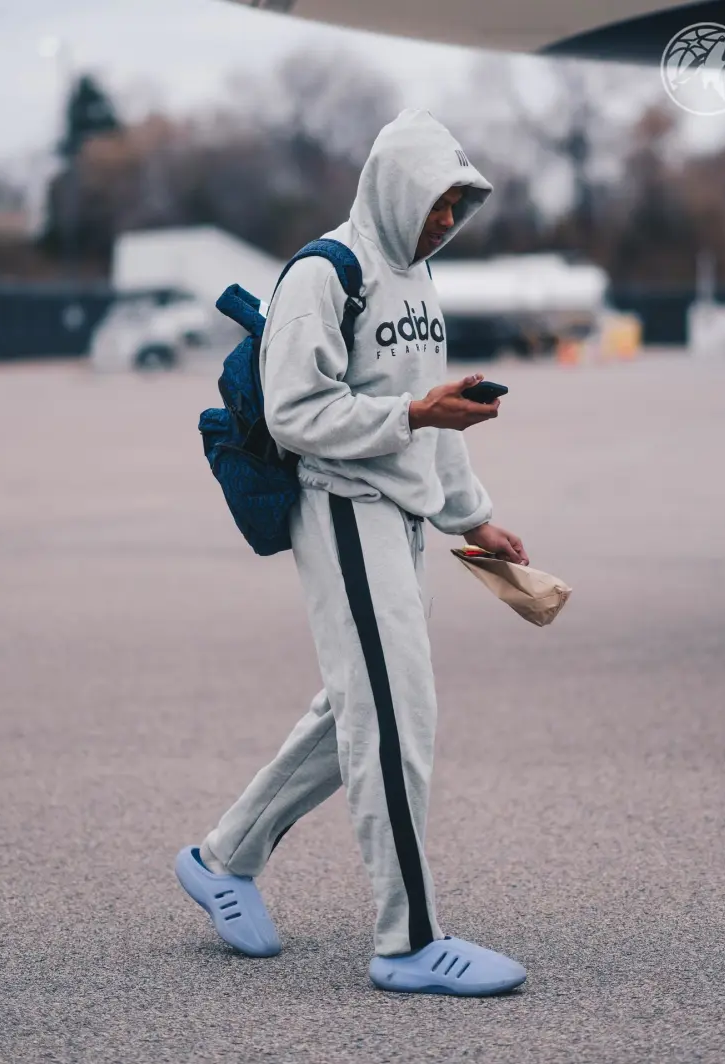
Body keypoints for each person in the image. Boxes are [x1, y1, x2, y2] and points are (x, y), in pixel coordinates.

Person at [176, 108, 530, 996]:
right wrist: (413, 413)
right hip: (342, 510)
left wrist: (472, 519)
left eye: (459, 204)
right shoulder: (324, 272)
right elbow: (295, 413)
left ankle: (222, 859)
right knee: (396, 720)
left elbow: (434, 418)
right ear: (393, 187)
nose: (445, 218)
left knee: (355, 710)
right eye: (436, 200)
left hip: (400, 519)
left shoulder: (417, 278)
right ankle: (408, 942)